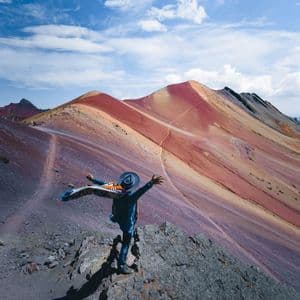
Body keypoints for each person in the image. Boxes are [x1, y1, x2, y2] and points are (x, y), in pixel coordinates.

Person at [86, 172, 164, 274]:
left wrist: (93, 179)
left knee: (124, 232)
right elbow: (142, 190)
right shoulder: (131, 197)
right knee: (126, 243)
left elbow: (104, 184)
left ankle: (118, 254)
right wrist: (151, 182)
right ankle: (121, 265)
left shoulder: (116, 189)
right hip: (128, 223)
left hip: (119, 217)